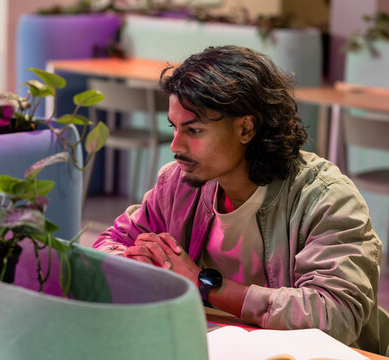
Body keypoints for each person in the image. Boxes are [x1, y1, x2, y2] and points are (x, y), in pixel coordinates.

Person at [92, 45, 388, 355]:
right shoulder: (177, 183)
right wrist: (134, 263)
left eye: (194, 130)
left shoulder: (324, 197)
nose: (175, 146)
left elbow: (336, 315)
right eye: (174, 128)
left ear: (246, 128)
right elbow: (111, 241)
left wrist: (207, 285)